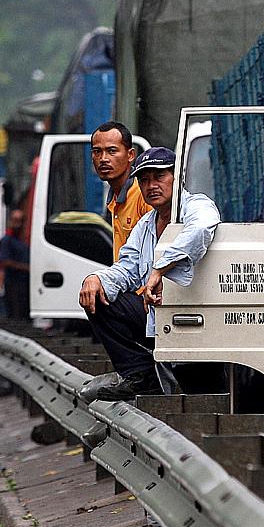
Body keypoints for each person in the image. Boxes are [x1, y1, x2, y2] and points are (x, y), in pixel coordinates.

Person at [78, 147, 219, 401]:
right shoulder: (145, 226)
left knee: (203, 392)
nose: (151, 185)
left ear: (177, 178)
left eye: (159, 177)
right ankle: (141, 375)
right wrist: (96, 279)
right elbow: (127, 268)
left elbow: (200, 229)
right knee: (99, 298)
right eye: (144, 180)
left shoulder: (196, 205)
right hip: (160, 320)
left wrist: (159, 268)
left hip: (198, 322)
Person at [90, 120, 150, 258]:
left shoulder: (143, 194)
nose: (103, 159)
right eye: (97, 151)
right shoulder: (114, 199)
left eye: (112, 151)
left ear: (130, 155)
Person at [0, 209, 30, 320]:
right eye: (15, 220)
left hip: (25, 283)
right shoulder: (7, 240)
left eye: (20, 221)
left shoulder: (23, 241)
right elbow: (5, 261)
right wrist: (26, 268)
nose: (17, 224)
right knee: (16, 314)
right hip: (13, 284)